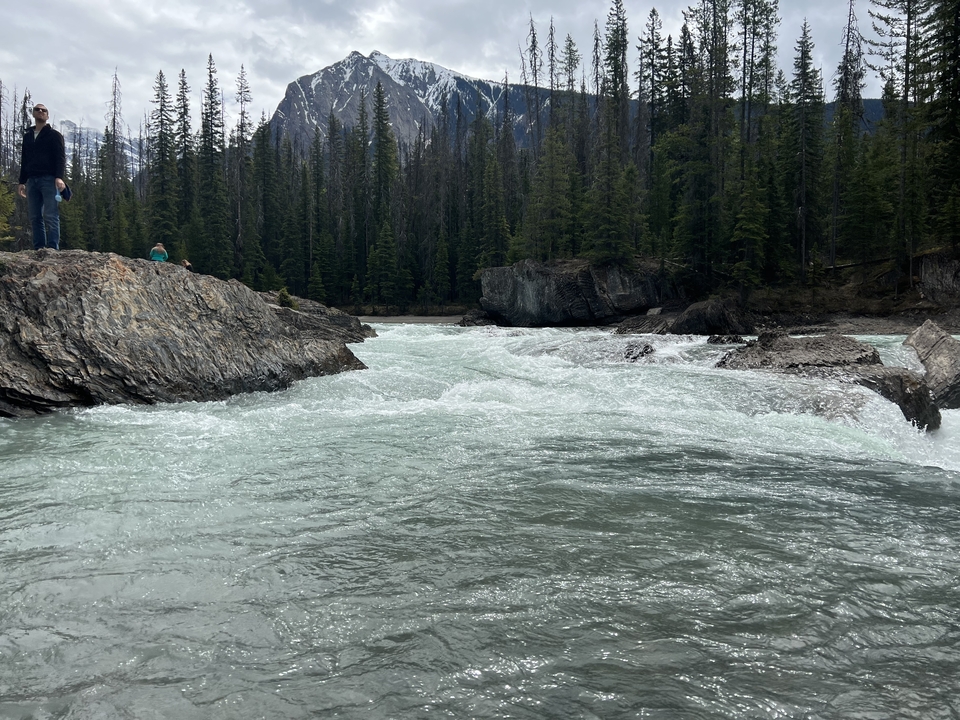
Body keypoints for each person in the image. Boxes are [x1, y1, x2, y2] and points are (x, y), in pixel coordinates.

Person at [17, 103, 66, 250]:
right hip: (32, 181)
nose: (40, 112)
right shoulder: (28, 137)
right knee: (35, 217)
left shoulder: (54, 136)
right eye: (37, 110)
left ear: (47, 115)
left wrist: (59, 177)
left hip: (49, 179)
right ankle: (39, 248)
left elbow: (60, 158)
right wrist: (22, 181)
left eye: (43, 110)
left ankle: (52, 249)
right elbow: (24, 160)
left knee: (51, 216)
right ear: (33, 114)